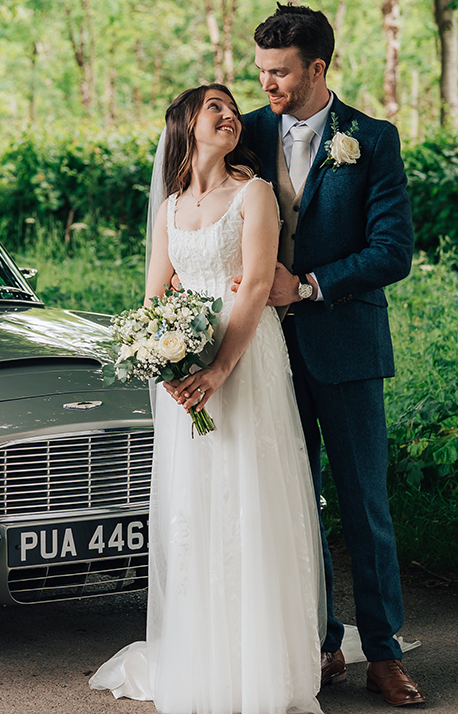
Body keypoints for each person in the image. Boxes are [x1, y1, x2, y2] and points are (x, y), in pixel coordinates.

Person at [89, 83, 327, 714]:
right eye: (213, 106)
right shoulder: (168, 206)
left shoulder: (255, 194)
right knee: (196, 512)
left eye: (230, 107)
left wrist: (220, 365)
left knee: (249, 496)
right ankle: (203, 656)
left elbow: (252, 289)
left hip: (245, 360)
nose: (228, 114)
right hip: (183, 366)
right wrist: (156, 355)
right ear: (186, 127)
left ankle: (261, 667)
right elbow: (154, 295)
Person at [229, 4, 424, 707]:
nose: (268, 84)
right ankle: (317, 645)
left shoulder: (372, 139)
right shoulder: (245, 132)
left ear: (319, 67)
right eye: (261, 72)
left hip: (346, 345)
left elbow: (391, 251)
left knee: (365, 505)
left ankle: (384, 654)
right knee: (292, 504)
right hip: (267, 356)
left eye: (279, 72)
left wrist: (307, 285)